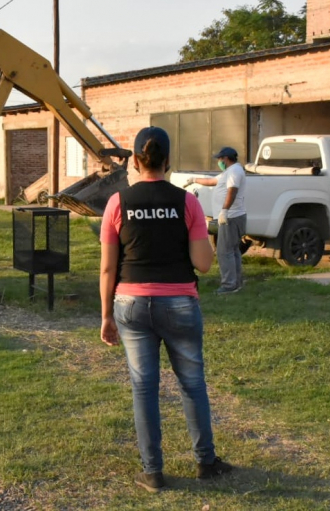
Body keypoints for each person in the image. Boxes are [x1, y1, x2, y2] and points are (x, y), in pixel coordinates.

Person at [99, 126, 233, 493]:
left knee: (144, 388)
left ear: (136, 161)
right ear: (167, 160)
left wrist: (106, 315)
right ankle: (206, 462)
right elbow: (204, 264)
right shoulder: (187, 201)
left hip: (130, 303)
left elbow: (108, 268)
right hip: (179, 303)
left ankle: (153, 473)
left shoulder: (117, 202)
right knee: (192, 384)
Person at [187, 147, 247, 295]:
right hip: (233, 216)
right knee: (233, 251)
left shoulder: (234, 172)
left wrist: (224, 210)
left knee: (224, 252)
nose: (219, 162)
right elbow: (212, 181)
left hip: (231, 217)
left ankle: (229, 285)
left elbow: (232, 190)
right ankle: (236, 282)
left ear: (226, 159)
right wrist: (194, 180)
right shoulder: (229, 172)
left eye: (220, 159)